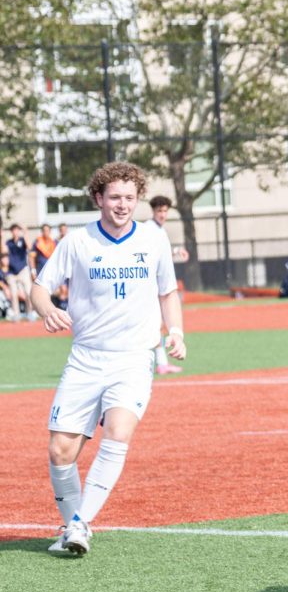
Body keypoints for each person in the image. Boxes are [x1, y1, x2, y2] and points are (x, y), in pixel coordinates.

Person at [32, 161, 185, 557]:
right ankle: (71, 525)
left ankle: (80, 525)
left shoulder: (153, 239)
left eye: (130, 198)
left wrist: (176, 332)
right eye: (114, 197)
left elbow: (167, 292)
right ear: (98, 198)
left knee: (118, 431)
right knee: (60, 452)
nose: (122, 205)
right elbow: (39, 288)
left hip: (133, 359)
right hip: (85, 359)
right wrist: (47, 309)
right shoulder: (78, 242)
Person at [145, 196, 187, 374]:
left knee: (158, 324)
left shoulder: (159, 230)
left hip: (158, 283)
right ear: (153, 211)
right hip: (150, 284)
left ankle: (161, 362)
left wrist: (177, 251)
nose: (162, 214)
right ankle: (159, 363)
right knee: (155, 324)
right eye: (159, 211)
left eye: (164, 211)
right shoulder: (149, 229)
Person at [6, 224, 36, 320]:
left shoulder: (22, 240)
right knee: (14, 294)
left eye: (17, 230)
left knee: (28, 292)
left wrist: (25, 233)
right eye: (13, 230)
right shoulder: (8, 242)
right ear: (11, 231)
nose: (15, 232)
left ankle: (30, 313)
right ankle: (16, 315)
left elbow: (29, 247)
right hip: (11, 272)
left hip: (23, 270)